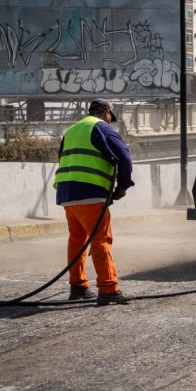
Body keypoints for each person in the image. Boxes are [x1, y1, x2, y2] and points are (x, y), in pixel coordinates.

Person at [54, 98, 134, 305]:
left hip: (67, 193)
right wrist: (122, 186)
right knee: (100, 240)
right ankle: (108, 288)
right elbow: (124, 156)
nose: (110, 120)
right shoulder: (101, 127)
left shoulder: (72, 130)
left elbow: (61, 157)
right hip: (90, 191)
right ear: (106, 112)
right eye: (110, 117)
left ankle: (78, 286)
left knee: (77, 239)